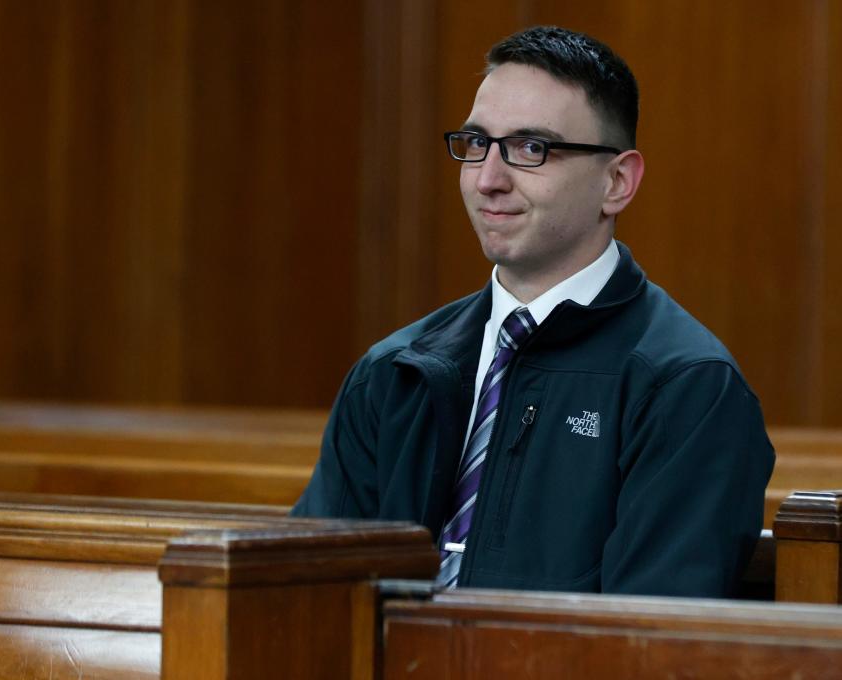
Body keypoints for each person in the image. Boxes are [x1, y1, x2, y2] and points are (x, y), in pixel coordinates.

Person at [292, 26, 774, 597]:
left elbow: (650, 643)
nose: (489, 180)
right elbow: (309, 592)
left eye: (530, 149)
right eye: (476, 144)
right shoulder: (392, 372)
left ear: (617, 182)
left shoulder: (687, 388)